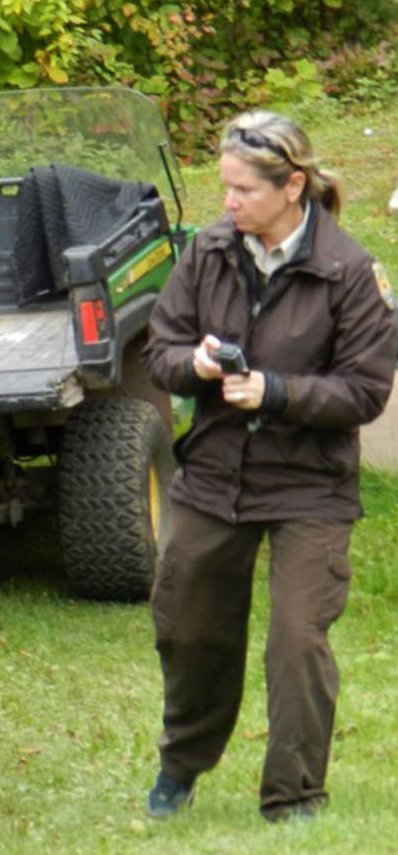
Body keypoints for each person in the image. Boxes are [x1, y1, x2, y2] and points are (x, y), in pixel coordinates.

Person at [142, 110, 396, 822]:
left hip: (309, 487)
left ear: (292, 187)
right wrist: (191, 365)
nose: (226, 203)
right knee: (189, 629)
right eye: (224, 188)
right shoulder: (209, 253)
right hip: (214, 477)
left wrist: (277, 392)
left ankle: (294, 800)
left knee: (296, 643)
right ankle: (180, 767)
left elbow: (368, 391)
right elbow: (159, 349)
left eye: (241, 191)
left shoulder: (348, 270)